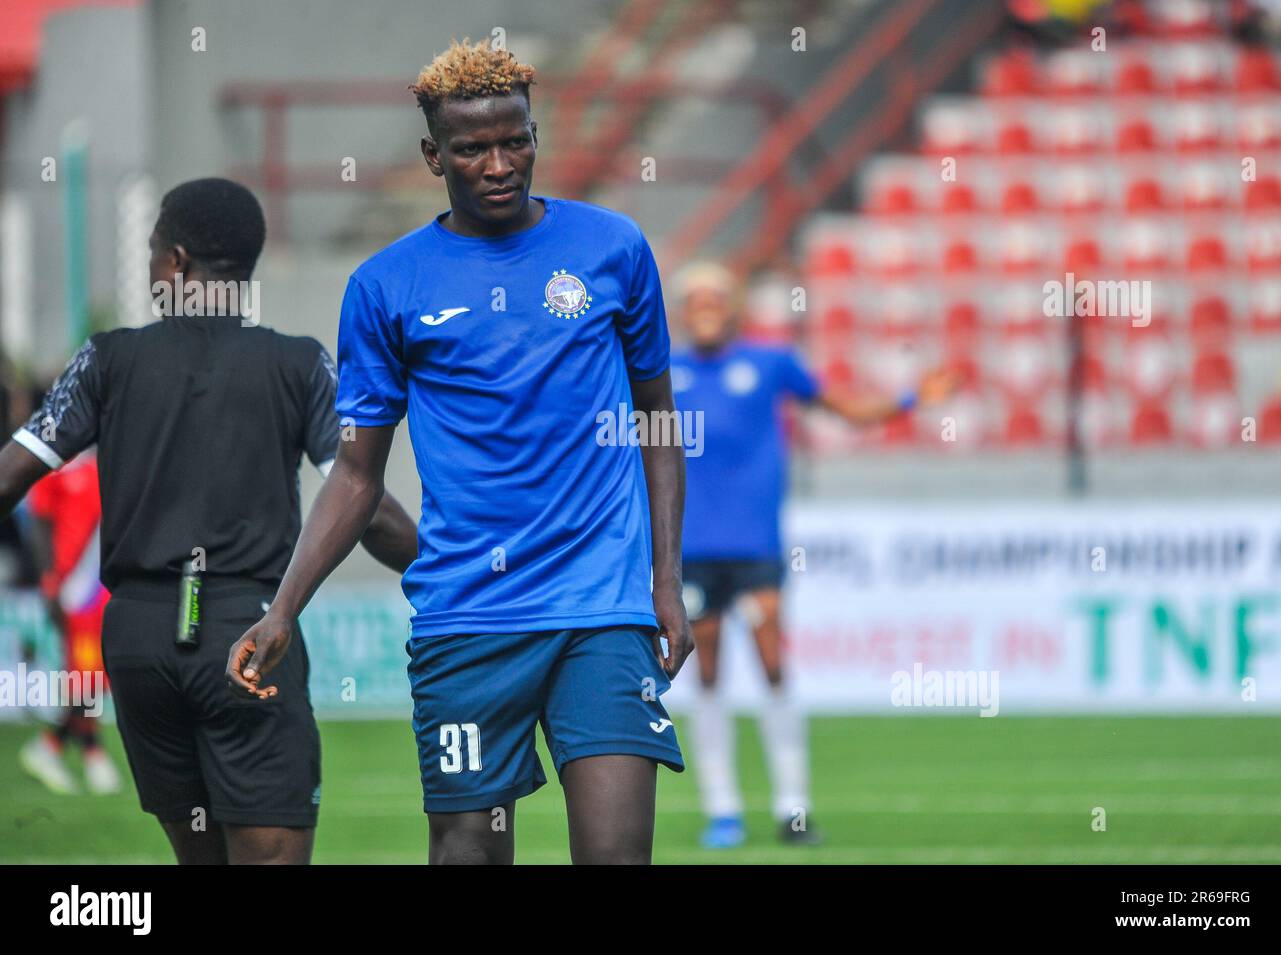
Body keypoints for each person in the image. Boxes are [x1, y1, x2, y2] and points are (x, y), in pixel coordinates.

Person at [226, 37, 692, 866]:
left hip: (603, 610)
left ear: (535, 135)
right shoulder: (386, 285)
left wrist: (665, 580)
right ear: (432, 154)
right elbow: (356, 474)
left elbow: (658, 422)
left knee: (618, 855)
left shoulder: (613, 249)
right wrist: (284, 606)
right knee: (469, 852)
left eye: (516, 140)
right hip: (468, 618)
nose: (499, 163)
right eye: (473, 148)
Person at [0, 177, 418, 864]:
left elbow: (13, 473)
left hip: (137, 638)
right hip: (247, 630)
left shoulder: (106, 359)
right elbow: (363, 499)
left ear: (178, 260)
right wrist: (451, 568)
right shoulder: (298, 363)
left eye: (151, 249)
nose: (147, 263)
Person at [669, 261, 953, 848]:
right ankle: (723, 810)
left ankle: (793, 808)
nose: (705, 309)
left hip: (755, 547)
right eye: (695, 300)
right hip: (690, 550)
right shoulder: (661, 372)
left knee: (773, 665)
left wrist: (906, 401)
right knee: (709, 673)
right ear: (682, 310)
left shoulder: (770, 363)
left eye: (714, 300)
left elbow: (841, 408)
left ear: (732, 307)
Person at [18, 446, 122, 795]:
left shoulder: (103, 466)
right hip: (74, 588)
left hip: (99, 586)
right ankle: (85, 752)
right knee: (86, 674)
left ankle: (56, 746)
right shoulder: (55, 468)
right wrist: (49, 578)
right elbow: (39, 523)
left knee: (93, 674)